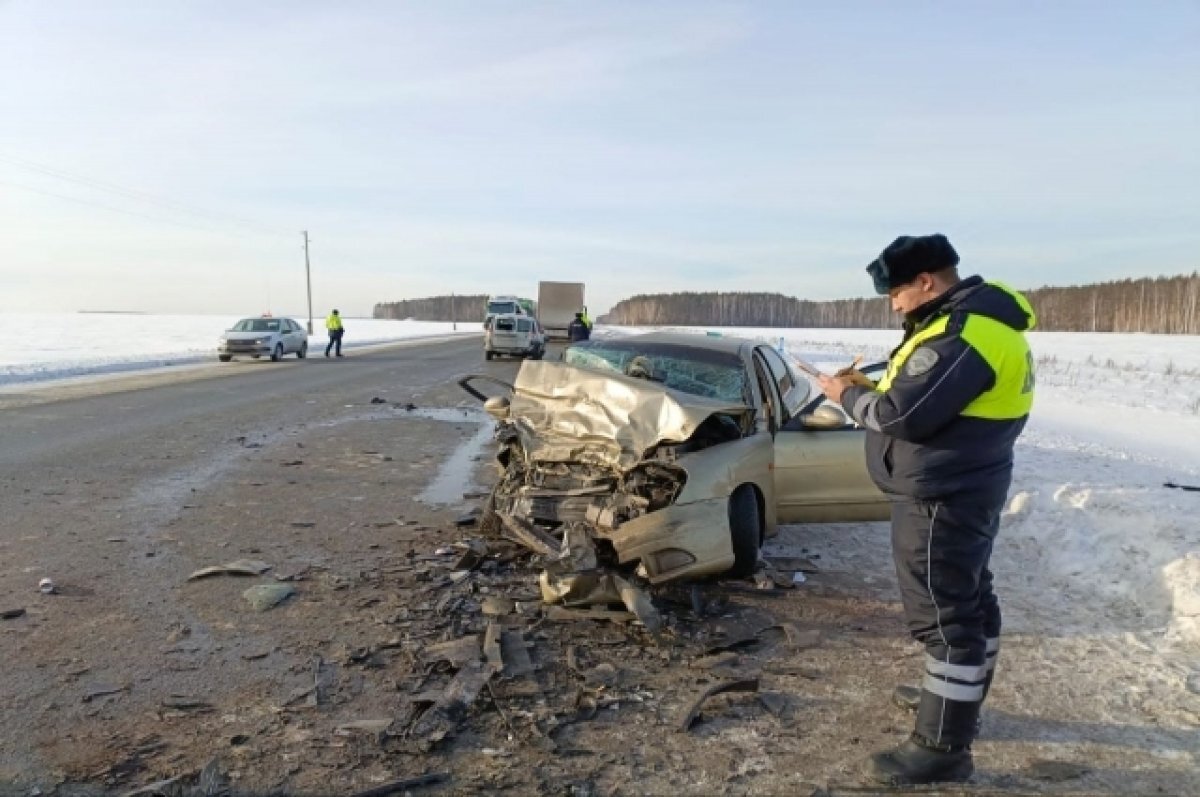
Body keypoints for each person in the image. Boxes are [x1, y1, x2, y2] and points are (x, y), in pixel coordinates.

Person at [817, 234, 1036, 786]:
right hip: (967, 481)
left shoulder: (963, 334)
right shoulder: (973, 324)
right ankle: (958, 701)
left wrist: (844, 394)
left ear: (926, 281)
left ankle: (943, 746)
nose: (892, 304)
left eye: (895, 292)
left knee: (946, 616)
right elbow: (918, 398)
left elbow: (900, 418)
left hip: (942, 494)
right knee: (971, 599)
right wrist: (872, 386)